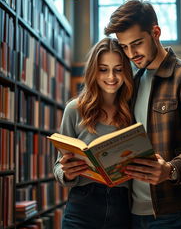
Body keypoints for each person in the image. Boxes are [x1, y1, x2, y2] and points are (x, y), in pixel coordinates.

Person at [104, 0, 181, 229]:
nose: (131, 54)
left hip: (172, 212)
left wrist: (170, 170)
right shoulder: (133, 82)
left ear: (156, 32)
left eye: (137, 43)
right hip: (131, 209)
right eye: (124, 47)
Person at [53, 37, 134, 229]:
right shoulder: (74, 109)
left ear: (127, 72)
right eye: (103, 69)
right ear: (93, 72)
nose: (111, 77)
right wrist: (67, 174)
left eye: (119, 69)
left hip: (123, 205)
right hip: (82, 206)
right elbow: (58, 166)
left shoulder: (134, 109)